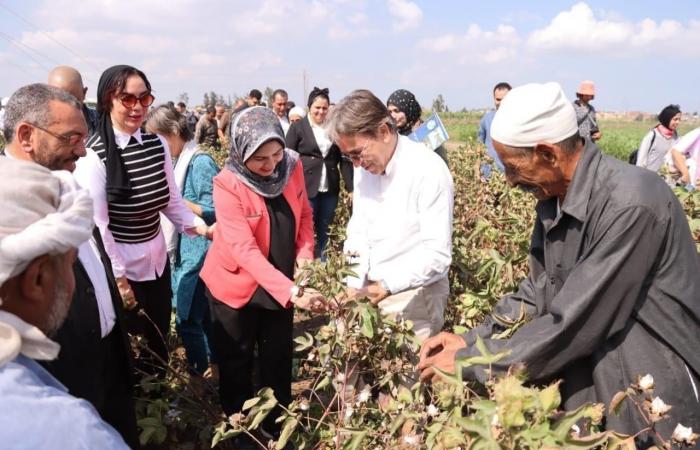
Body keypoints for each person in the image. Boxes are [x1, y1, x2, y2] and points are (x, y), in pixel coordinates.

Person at [417, 82, 700, 447]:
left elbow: (576, 319)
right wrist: (472, 339)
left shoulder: (633, 202)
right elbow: (538, 290)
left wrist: (470, 362)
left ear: (548, 153)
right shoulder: (554, 198)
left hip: (651, 378)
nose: (508, 179)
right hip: (593, 368)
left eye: (513, 166)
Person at [1, 83, 139, 447]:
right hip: (60, 369)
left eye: (85, 136)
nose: (81, 149)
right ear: (27, 135)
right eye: (71, 137)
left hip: (105, 356)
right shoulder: (10, 205)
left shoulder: (66, 185)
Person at [74, 65, 211, 375]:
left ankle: (160, 406)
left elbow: (170, 201)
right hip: (123, 269)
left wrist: (201, 228)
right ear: (108, 99)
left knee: (159, 339)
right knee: (133, 349)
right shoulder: (94, 155)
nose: (137, 107)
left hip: (156, 263)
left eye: (144, 98)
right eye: (127, 99)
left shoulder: (155, 144)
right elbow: (101, 227)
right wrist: (120, 281)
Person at [200, 106, 322, 449]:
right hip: (236, 286)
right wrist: (292, 289)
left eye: (276, 153)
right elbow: (243, 249)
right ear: (240, 154)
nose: (271, 166)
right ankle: (241, 431)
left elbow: (305, 215)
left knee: (276, 359)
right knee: (237, 361)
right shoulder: (227, 184)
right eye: (260, 159)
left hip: (280, 283)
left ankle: (276, 425)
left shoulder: (292, 167)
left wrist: (305, 258)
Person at [325, 89, 454, 344]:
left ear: (383, 132)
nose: (356, 164)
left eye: (358, 153)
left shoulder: (428, 171)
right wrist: (352, 281)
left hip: (414, 295)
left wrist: (385, 286)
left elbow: (438, 257)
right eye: (348, 156)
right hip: (369, 287)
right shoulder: (364, 168)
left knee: (406, 378)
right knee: (350, 371)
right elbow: (358, 230)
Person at [145, 105, 219, 376]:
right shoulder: (177, 160)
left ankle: (198, 375)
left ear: (174, 131)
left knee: (187, 319)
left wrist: (175, 202)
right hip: (187, 251)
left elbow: (216, 209)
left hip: (199, 252)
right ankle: (214, 365)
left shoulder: (199, 163)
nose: (156, 144)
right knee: (203, 316)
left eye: (158, 137)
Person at [286, 87, 354, 259]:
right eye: (317, 108)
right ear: (310, 107)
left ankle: (324, 267)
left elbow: (343, 160)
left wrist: (350, 187)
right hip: (306, 187)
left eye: (324, 108)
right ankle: (304, 264)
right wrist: (288, 186)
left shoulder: (334, 128)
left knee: (326, 228)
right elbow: (288, 157)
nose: (321, 112)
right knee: (304, 229)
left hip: (329, 187)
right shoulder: (298, 128)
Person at [387, 89, 448, 164]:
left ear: (408, 110)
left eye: (397, 111)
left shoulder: (426, 132)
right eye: (390, 112)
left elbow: (441, 162)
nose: (392, 115)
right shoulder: (393, 134)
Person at [47, 65, 99, 137]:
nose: (67, 108)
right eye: (61, 100)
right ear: (48, 96)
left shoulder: (102, 123)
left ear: (84, 93)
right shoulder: (39, 124)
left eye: (73, 102)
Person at [635, 104, 681, 173]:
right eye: (675, 119)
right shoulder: (652, 136)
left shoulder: (676, 136)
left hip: (667, 180)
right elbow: (640, 162)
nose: (678, 122)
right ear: (667, 118)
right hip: (650, 179)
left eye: (679, 119)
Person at [478, 82, 511, 171]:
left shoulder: (518, 121)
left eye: (505, 99)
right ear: (494, 99)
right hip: (488, 174)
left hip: (508, 177)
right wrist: (478, 171)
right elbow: (479, 146)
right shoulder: (486, 119)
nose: (501, 103)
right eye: (498, 99)